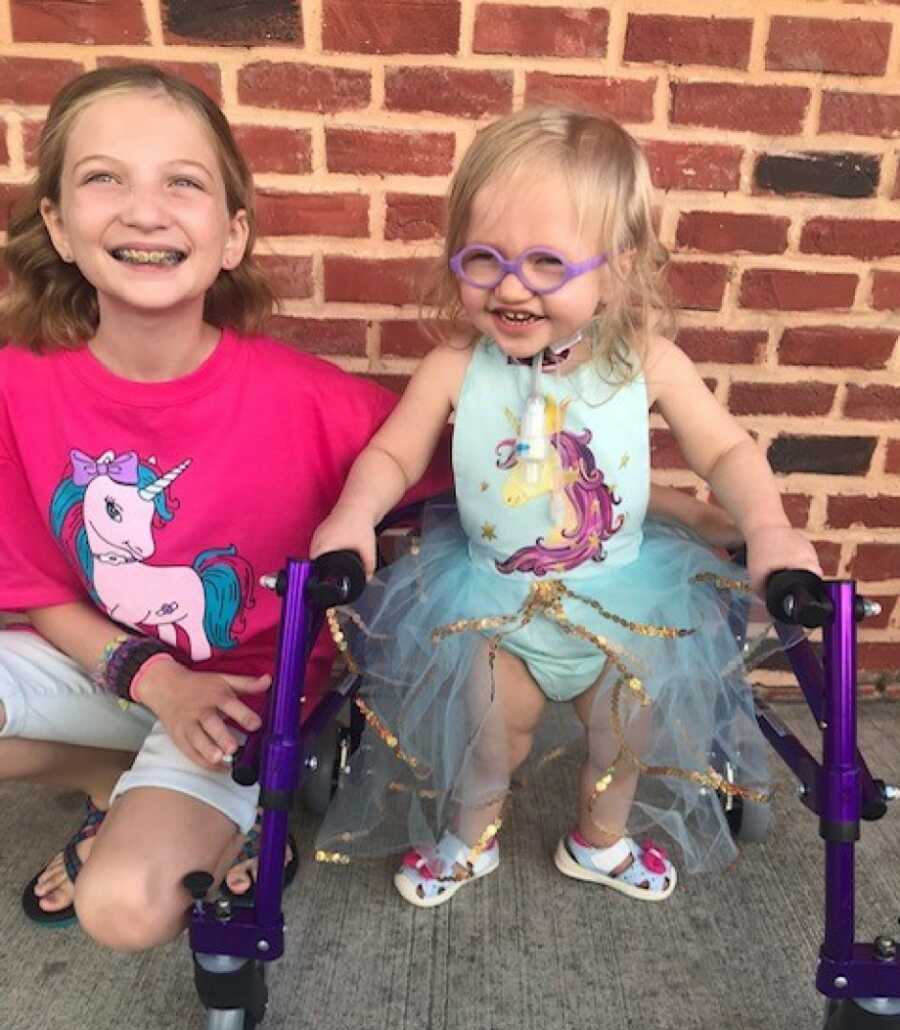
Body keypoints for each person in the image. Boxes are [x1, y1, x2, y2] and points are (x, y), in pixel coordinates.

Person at [311, 106, 821, 907]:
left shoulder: (649, 364)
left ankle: (601, 839)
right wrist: (351, 514)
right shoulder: (456, 365)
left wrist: (768, 528)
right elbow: (394, 451)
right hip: (488, 600)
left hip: (626, 598)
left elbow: (724, 450)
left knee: (627, 735)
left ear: (618, 270)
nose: (511, 287)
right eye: (485, 258)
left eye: (548, 262)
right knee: (488, 739)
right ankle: (469, 836)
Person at [0, 64, 450, 938]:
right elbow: (37, 590)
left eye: (183, 182)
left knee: (123, 909)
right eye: (103, 178)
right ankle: (108, 778)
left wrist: (683, 509)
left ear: (232, 234)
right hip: (107, 668)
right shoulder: (17, 386)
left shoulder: (312, 402)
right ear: (57, 221)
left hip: (238, 695)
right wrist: (152, 680)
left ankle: (213, 803)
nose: (144, 209)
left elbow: (494, 476)